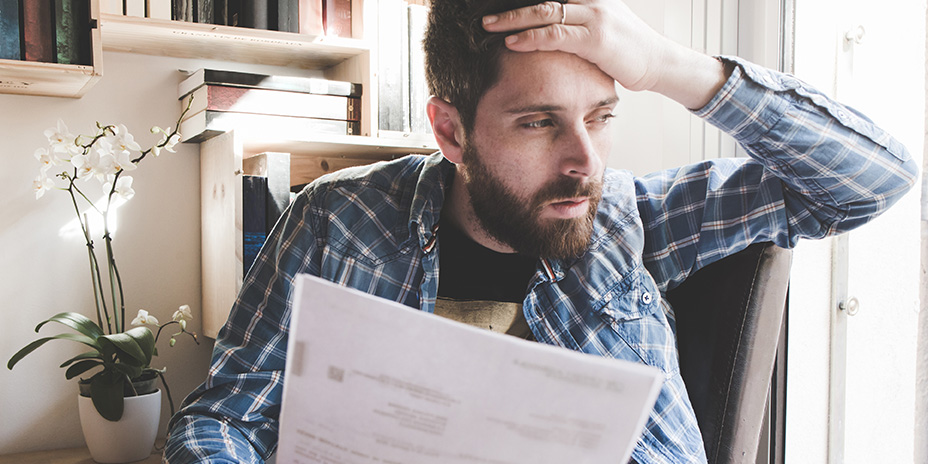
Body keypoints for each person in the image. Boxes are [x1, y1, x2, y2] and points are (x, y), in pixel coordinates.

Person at [164, 0, 918, 462]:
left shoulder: (633, 218)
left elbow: (871, 179)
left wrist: (665, 65)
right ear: (451, 131)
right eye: (538, 123)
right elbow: (223, 419)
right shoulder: (338, 221)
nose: (583, 161)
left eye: (601, 116)